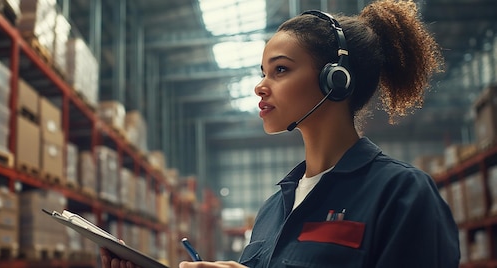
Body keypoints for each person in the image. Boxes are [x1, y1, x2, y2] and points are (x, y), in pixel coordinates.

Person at [102, 0, 460, 267]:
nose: (260, 86)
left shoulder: (402, 194)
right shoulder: (275, 208)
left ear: (336, 79)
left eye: (281, 70)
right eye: (263, 72)